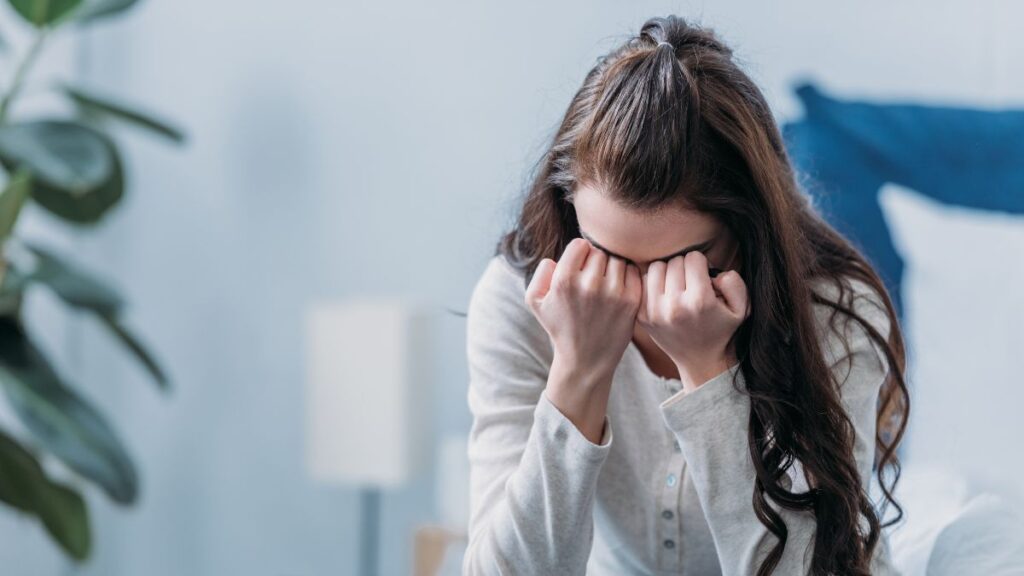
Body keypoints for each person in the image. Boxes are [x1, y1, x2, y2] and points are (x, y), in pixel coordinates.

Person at [462, 14, 909, 576]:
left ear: (750, 232)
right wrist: (578, 373)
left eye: (681, 263)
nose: (650, 301)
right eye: (610, 258)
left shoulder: (834, 314)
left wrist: (709, 376)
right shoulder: (523, 301)